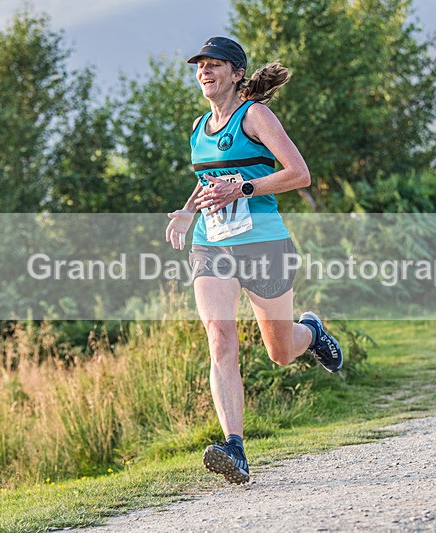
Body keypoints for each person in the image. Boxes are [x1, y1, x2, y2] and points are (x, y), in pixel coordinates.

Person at [165, 36, 343, 484]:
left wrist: (243, 188)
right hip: (212, 244)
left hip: (263, 243)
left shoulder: (256, 116)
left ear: (237, 73)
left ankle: (312, 333)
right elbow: (209, 182)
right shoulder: (197, 127)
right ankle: (235, 448)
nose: (204, 71)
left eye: (214, 64)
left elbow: (298, 173)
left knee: (280, 352)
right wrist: (188, 213)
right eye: (199, 65)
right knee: (220, 337)